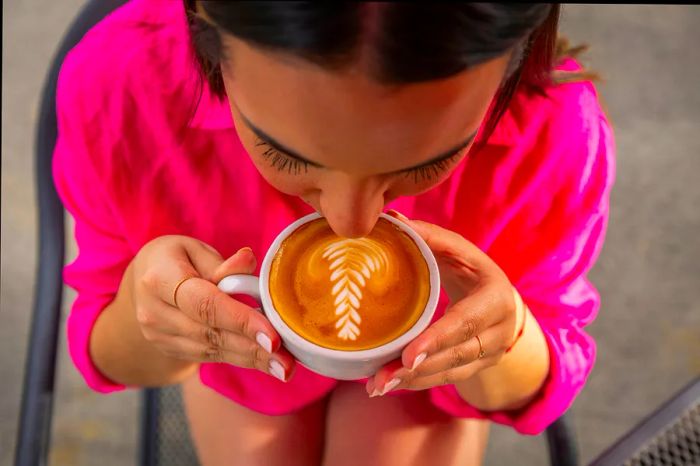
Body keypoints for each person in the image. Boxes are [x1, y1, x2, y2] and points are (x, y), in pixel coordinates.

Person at [53, 1, 615, 465]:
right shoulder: (122, 90)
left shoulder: (558, 134)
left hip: (426, 386)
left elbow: (540, 382)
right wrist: (149, 311)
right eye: (283, 153)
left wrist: (505, 337)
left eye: (424, 163)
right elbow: (109, 355)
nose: (352, 223)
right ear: (205, 25)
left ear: (514, 59)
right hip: (248, 371)